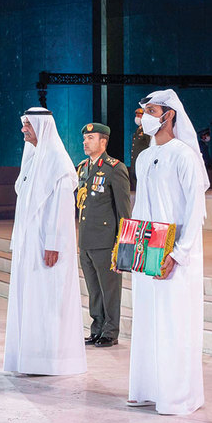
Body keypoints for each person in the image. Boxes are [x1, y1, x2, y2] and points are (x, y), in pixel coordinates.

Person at [128, 89, 207, 415]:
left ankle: (177, 396)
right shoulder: (144, 157)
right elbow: (140, 207)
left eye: (151, 111)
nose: (144, 117)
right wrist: (129, 250)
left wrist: (179, 253)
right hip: (147, 251)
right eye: (144, 111)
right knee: (147, 320)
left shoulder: (184, 155)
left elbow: (195, 210)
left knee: (175, 323)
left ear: (169, 114)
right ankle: (148, 389)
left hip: (175, 254)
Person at [4, 107, 87, 375]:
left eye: (28, 124)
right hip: (28, 245)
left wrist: (53, 243)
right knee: (30, 300)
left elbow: (62, 208)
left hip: (47, 246)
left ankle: (50, 359)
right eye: (23, 124)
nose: (23, 129)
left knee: (47, 301)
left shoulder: (57, 161)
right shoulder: (32, 158)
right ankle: (29, 357)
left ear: (41, 126)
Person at [76, 122, 131, 348]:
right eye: (84, 139)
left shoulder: (114, 168)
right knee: (94, 290)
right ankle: (97, 328)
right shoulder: (82, 168)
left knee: (109, 290)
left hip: (106, 241)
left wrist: (123, 245)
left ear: (103, 142)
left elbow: (123, 211)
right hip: (86, 240)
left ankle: (110, 331)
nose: (85, 142)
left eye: (91, 138)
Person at [130, 107, 151, 188]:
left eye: (139, 116)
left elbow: (149, 145)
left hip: (143, 161)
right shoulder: (138, 129)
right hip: (136, 160)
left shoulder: (147, 130)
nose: (137, 118)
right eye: (136, 115)